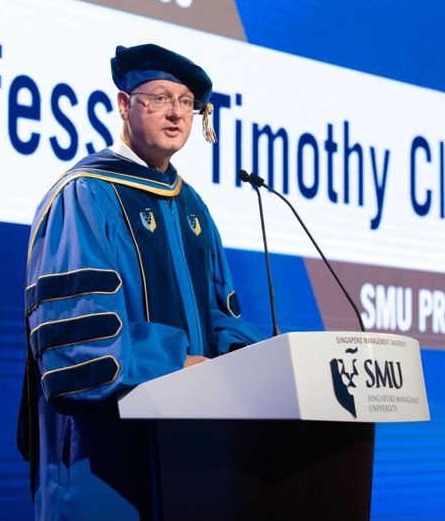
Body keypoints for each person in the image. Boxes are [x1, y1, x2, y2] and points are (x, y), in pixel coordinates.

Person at [17, 43, 265, 521]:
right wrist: (180, 361)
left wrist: (264, 356)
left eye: (187, 102)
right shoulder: (86, 194)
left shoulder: (192, 207)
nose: (176, 113)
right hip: (101, 458)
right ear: (124, 105)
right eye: (159, 98)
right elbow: (79, 343)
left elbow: (218, 319)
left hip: (190, 458)